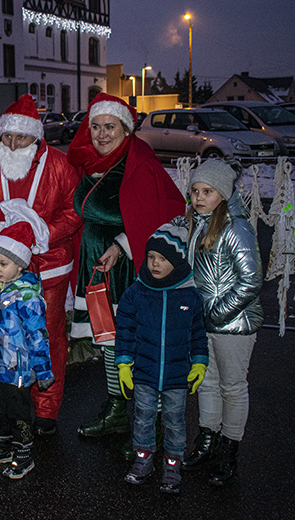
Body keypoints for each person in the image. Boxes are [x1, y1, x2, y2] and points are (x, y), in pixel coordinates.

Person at [67, 93, 185, 440]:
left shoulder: (140, 163)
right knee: (108, 341)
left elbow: (162, 215)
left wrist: (122, 245)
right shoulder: (88, 164)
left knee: (140, 345)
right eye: (96, 127)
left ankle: (155, 423)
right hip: (94, 268)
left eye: (110, 127)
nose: (102, 134)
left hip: (129, 272)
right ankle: (117, 410)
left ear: (126, 128)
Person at [0, 94, 82, 436]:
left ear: (37, 136)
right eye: (8, 136)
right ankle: (8, 410)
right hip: (2, 273)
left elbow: (75, 211)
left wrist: (44, 233)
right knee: (2, 340)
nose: (14, 144)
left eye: (22, 136)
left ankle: (46, 408)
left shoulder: (59, 166)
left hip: (49, 270)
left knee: (46, 338)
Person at [181, 159, 263, 486]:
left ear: (224, 195)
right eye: (195, 191)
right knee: (207, 382)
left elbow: (250, 281)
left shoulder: (237, 228)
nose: (199, 197)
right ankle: (207, 438)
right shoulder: (197, 224)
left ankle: (228, 447)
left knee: (232, 386)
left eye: (208, 192)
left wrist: (214, 315)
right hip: (204, 323)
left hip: (233, 325)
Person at [114, 218, 208, 494]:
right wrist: (123, 362)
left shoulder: (189, 295)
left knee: (175, 418)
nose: (154, 263)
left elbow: (198, 332)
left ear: (177, 262)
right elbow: (126, 329)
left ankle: (172, 462)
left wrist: (200, 361)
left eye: (162, 258)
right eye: (151, 257)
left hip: (177, 374)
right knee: (142, 415)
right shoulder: (137, 292)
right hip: (143, 369)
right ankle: (143, 459)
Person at [0, 215, 54, 480]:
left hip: (18, 369)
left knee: (18, 411)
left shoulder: (28, 297)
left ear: (19, 265)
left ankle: (23, 451)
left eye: (4, 264)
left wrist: (43, 371)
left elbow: (37, 335)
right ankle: (2, 445)